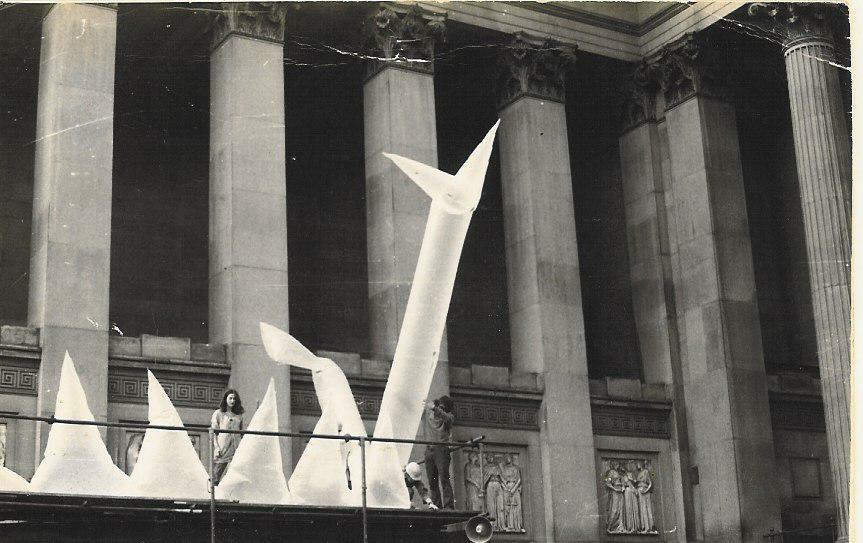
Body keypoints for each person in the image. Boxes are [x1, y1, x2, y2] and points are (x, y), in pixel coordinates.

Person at [422, 395, 455, 509]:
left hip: (441, 449)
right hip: (430, 449)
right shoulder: (431, 415)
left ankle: (449, 505)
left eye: (442, 407)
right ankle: (437, 505)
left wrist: (435, 408)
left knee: (444, 479)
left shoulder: (448, 418)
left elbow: (447, 418)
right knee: (432, 481)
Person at [211, 389, 244, 485]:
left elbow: (241, 433)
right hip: (223, 449)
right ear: (226, 399)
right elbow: (213, 433)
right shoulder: (218, 413)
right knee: (216, 476)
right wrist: (217, 448)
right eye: (230, 398)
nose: (232, 401)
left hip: (235, 449)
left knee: (234, 477)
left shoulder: (239, 416)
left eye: (234, 399)